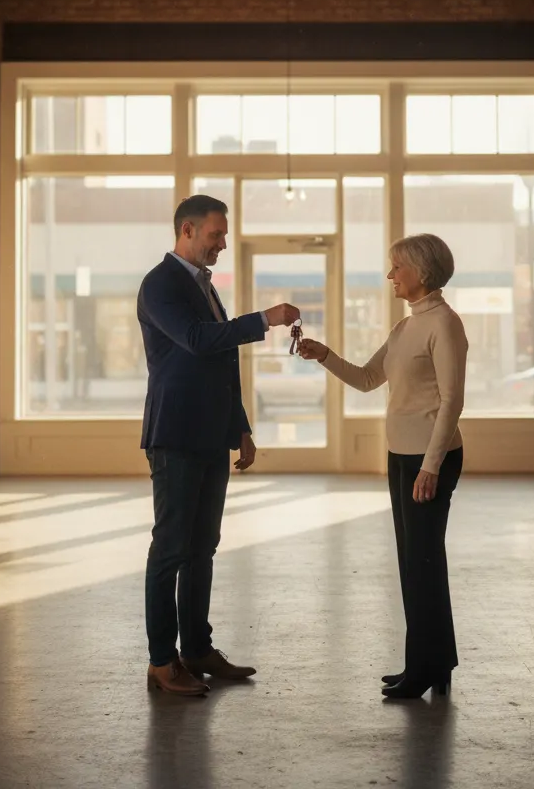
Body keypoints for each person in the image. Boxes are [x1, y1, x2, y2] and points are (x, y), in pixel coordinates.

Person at [137, 194, 300, 697]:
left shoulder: (204, 286)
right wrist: (264, 319)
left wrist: (242, 428)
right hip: (176, 436)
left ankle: (197, 650)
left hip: (210, 435)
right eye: (215, 235)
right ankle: (163, 662)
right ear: (187, 231)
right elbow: (198, 339)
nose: (222, 244)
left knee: (202, 548)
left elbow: (221, 364)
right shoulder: (159, 285)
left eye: (224, 235)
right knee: (171, 550)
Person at [299, 233, 468, 700]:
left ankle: (426, 667)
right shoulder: (405, 327)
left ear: (422, 271)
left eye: (397, 267)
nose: (391, 275)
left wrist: (430, 467)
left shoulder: (445, 325)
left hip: (430, 459)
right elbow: (369, 378)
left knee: (424, 564)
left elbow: (452, 401)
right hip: (402, 457)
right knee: (414, 563)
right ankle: (433, 662)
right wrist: (325, 355)